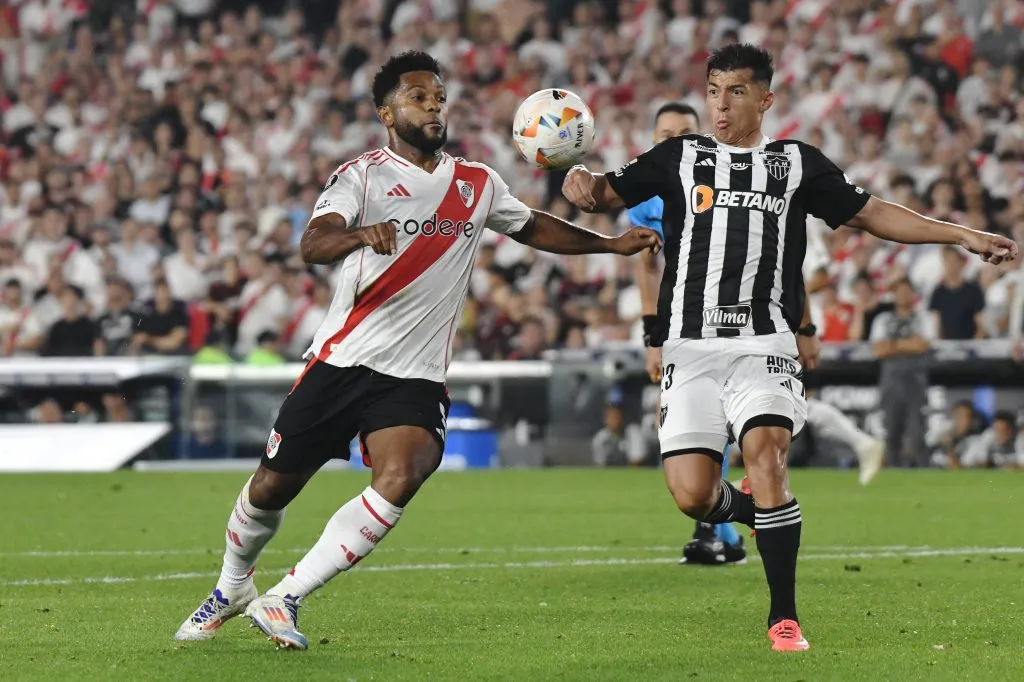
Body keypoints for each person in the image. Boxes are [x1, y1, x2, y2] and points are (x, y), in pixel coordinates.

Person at [174, 51, 661, 650]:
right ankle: (232, 587)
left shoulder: (477, 183)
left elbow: (533, 226)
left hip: (415, 374)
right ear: (386, 112)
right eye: (418, 97)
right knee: (270, 489)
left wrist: (609, 246)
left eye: (438, 98)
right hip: (342, 360)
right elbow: (313, 243)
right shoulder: (362, 176)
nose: (433, 107)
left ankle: (285, 596)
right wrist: (358, 233)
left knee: (404, 472)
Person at [561, 43, 1016, 651]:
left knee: (767, 457)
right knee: (693, 495)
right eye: (714, 90)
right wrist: (575, 178)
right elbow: (602, 195)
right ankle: (759, 515)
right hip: (689, 347)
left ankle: (784, 618)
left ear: (766, 99)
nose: (721, 105)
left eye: (737, 92)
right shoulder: (680, 156)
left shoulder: (795, 164)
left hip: (764, 340)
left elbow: (872, 213)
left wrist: (960, 234)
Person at [628, 101, 747, 566]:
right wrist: (651, 335)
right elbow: (647, 268)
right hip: (680, 325)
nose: (675, 142)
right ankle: (725, 532)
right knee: (691, 423)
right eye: (665, 135)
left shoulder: (730, 180)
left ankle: (719, 526)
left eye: (685, 133)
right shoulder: (646, 197)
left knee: (723, 422)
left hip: (733, 319)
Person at [870, 278, 933, 468]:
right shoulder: (883, 319)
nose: (904, 296)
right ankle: (892, 471)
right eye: (900, 292)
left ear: (914, 295)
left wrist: (893, 345)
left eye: (907, 291)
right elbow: (879, 350)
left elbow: (923, 345)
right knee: (891, 428)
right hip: (891, 380)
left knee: (917, 429)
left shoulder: (923, 318)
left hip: (916, 379)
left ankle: (921, 471)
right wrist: (908, 344)